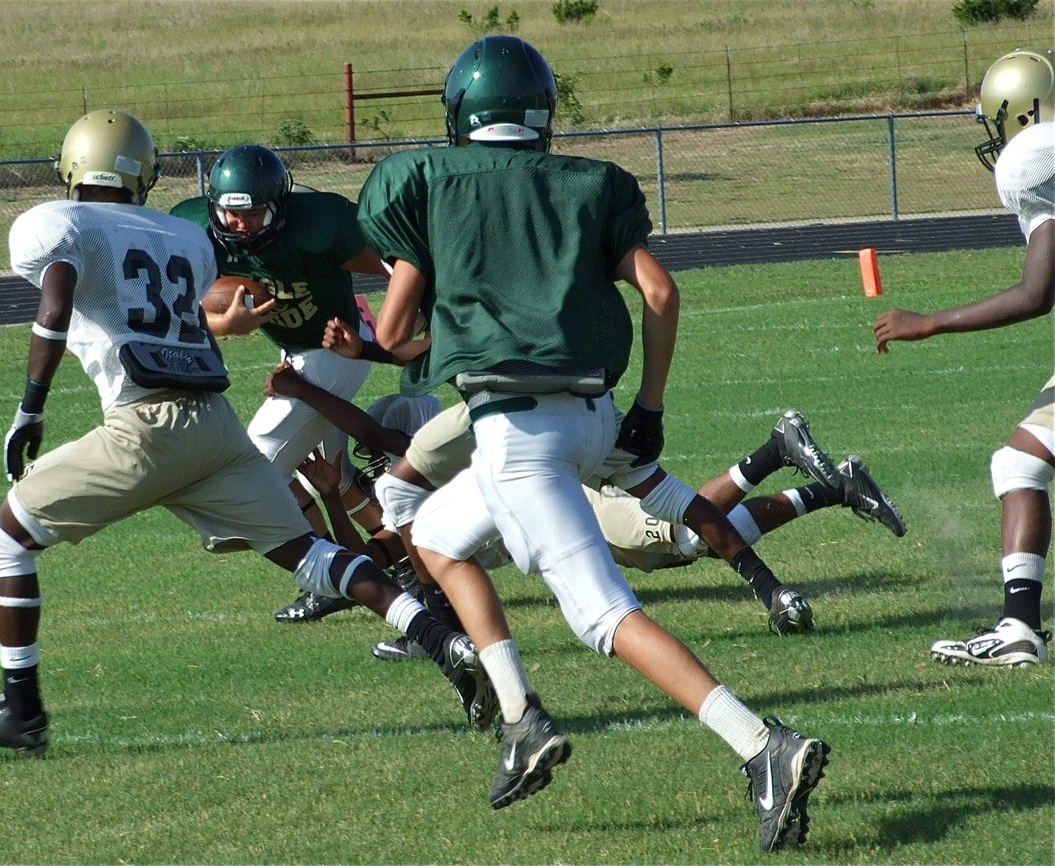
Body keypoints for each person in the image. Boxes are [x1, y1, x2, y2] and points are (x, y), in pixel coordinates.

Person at [355, 36, 829, 852]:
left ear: (462, 110)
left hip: (514, 431)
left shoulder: (426, 178)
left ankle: (763, 746)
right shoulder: (592, 181)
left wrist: (418, 326)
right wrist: (648, 406)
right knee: (434, 535)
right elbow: (660, 289)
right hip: (593, 413)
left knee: (604, 615)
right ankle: (520, 717)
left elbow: (395, 330)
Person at [0, 110, 497, 758]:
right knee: (310, 560)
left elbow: (55, 305)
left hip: (145, 428)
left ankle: (21, 712)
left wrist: (30, 409)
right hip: (215, 429)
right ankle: (443, 643)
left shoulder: (60, 223)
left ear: (71, 166)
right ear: (144, 171)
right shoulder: (182, 237)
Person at [264, 359, 906, 659]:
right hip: (562, 477)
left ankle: (775, 451)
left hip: (570, 494)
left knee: (678, 536)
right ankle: (832, 488)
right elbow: (364, 559)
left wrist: (307, 399)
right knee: (682, 544)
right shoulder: (414, 495)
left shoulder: (432, 454)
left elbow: (383, 463)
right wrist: (329, 496)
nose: (381, 476)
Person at [170, 144, 425, 624]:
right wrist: (226, 325)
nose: (238, 224)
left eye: (251, 213)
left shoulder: (321, 222)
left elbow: (402, 264)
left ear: (279, 205)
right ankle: (404, 564)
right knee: (327, 472)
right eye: (229, 212)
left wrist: (412, 318)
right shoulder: (195, 228)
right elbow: (175, 293)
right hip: (299, 352)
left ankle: (331, 575)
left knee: (249, 477)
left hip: (338, 346)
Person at [873, 46, 1055, 667]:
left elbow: (1038, 293)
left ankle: (1019, 629)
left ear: (1022, 110)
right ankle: (1019, 627)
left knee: (1017, 467)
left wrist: (929, 322)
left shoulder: (1035, 157)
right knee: (1018, 464)